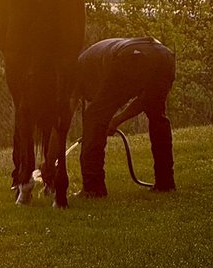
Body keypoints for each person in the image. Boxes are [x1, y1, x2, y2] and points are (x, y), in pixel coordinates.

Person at [75, 36, 176, 197]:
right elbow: (146, 101)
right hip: (163, 54)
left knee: (94, 117)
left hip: (130, 56)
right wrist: (116, 119)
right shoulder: (93, 63)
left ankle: (93, 188)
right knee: (157, 115)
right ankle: (165, 182)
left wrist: (50, 162)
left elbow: (62, 124)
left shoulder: (78, 73)